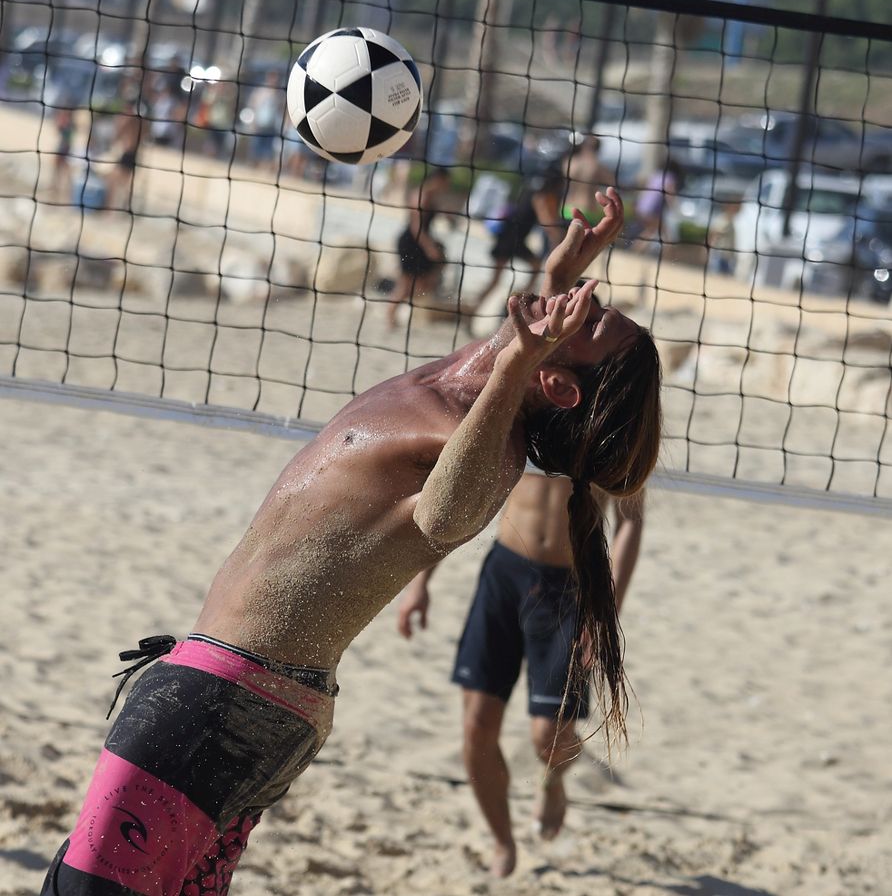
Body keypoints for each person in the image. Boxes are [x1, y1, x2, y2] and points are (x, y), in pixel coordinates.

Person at [41, 189, 663, 896]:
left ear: (555, 382)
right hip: (248, 694)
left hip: (230, 699)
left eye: (592, 319)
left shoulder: (492, 448)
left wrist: (521, 359)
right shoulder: (462, 384)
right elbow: (500, 357)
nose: (584, 299)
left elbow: (444, 518)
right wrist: (553, 282)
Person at [396, 302, 646, 878]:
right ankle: (502, 840)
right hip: (504, 575)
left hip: (571, 590)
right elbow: (455, 496)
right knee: (475, 727)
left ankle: (554, 783)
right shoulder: (528, 405)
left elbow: (631, 525)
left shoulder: (610, 425)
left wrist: (605, 614)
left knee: (549, 737)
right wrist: (420, 583)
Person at [469, 170, 566, 317]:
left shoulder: (530, 190)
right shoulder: (539, 197)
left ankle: (510, 303)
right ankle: (507, 304)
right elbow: (547, 222)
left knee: (531, 268)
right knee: (497, 280)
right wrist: (559, 238)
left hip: (512, 238)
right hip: (510, 239)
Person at [387, 166, 452, 327]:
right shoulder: (421, 195)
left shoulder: (432, 195)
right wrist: (429, 248)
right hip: (412, 242)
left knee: (422, 282)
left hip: (421, 241)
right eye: (446, 182)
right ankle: (390, 316)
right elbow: (416, 227)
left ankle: (397, 313)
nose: (447, 185)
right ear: (438, 179)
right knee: (405, 284)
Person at [562, 135, 614, 225]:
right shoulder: (598, 167)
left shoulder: (569, 162)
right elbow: (612, 183)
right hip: (587, 212)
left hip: (566, 209)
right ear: (598, 149)